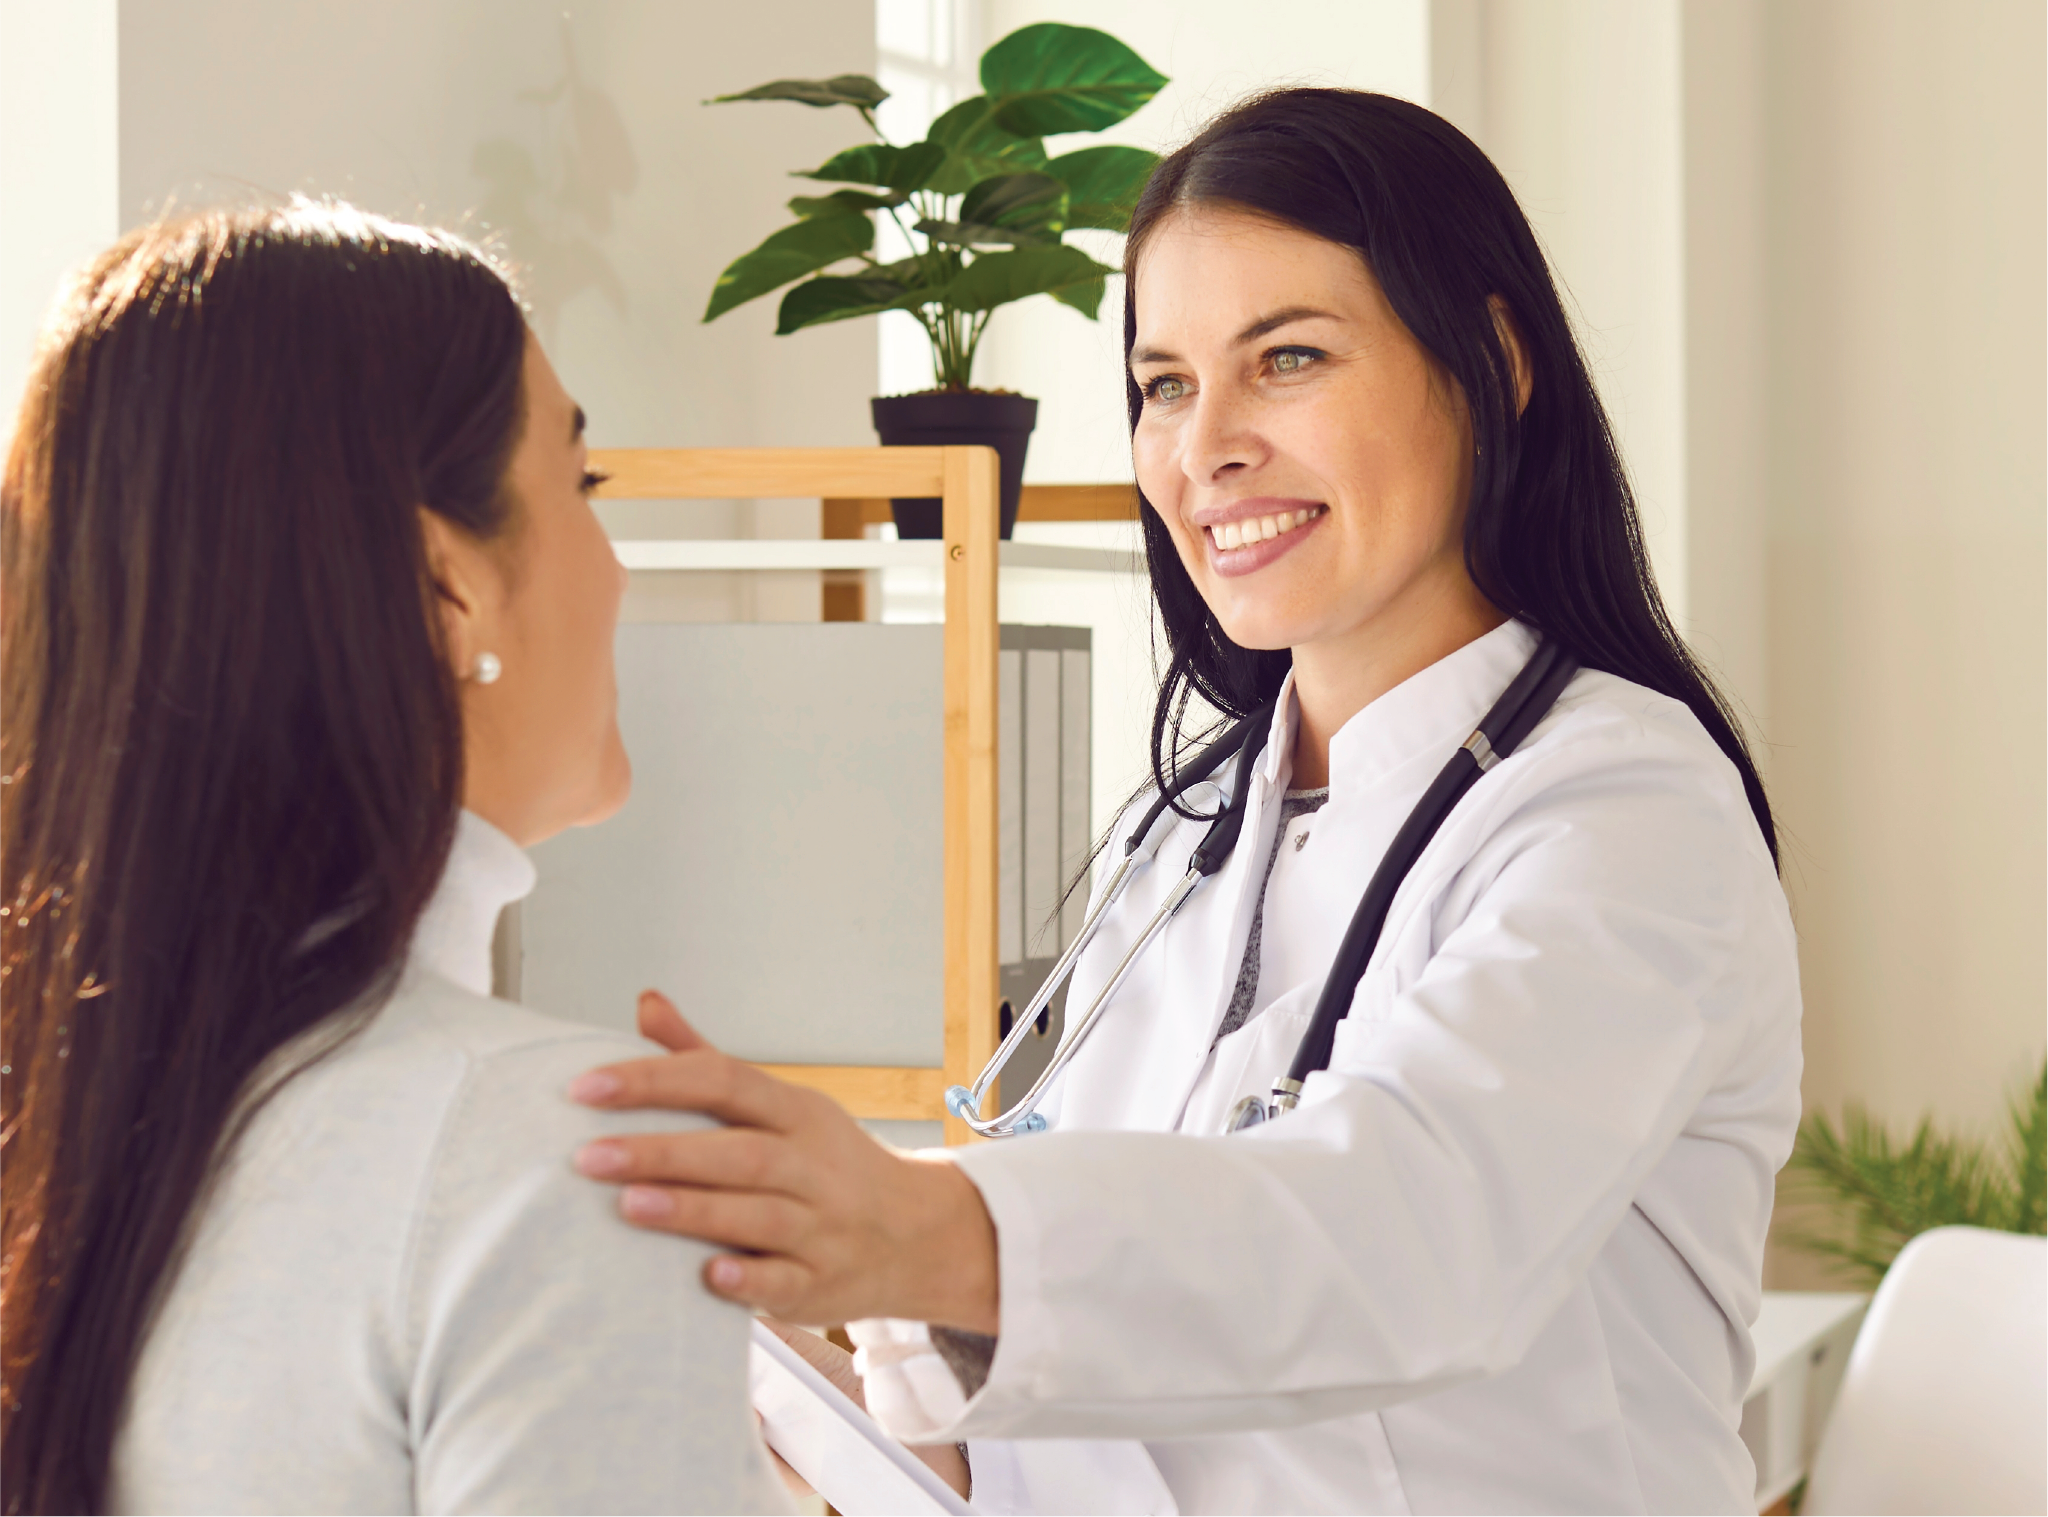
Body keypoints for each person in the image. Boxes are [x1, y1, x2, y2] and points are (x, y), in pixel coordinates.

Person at [568, 88, 1804, 1517]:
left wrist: (916, 1226)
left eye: (1286, 359)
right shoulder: (1191, 829)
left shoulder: (1626, 816)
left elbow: (1399, 1242)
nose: (1204, 445)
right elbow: (1089, 1416)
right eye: (1163, 383)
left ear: (1493, 359)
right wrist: (749, 1315)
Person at [0, 203, 790, 1517]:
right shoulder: (573, 1163)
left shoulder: (57, 1137)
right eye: (582, 487)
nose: (617, 570)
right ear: (449, 590)